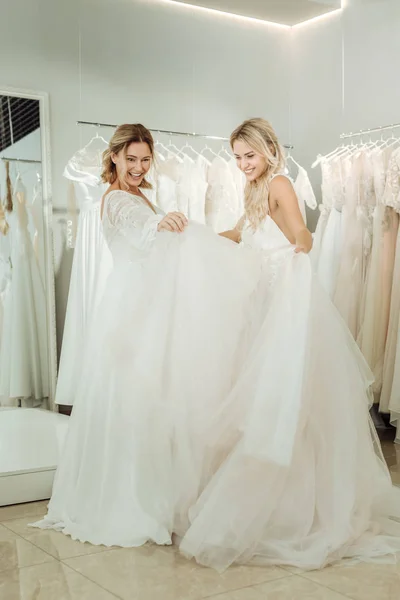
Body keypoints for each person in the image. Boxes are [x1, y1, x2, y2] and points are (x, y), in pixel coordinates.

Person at [180, 118, 400, 571]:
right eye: (238, 157)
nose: (243, 164)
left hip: (286, 289)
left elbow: (302, 230)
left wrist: (301, 249)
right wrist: (196, 239)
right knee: (264, 389)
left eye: (250, 155)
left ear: (269, 151)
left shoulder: (279, 182)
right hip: (265, 293)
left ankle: (298, 498)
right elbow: (242, 233)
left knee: (287, 392)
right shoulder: (255, 188)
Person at [31, 124, 258, 546]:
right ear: (114, 157)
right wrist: (163, 224)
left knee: (148, 404)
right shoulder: (117, 198)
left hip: (142, 302)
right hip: (132, 310)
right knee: (135, 402)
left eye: (144, 159)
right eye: (130, 159)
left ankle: (154, 494)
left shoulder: (138, 194)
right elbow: (141, 235)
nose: (137, 167)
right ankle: (131, 500)